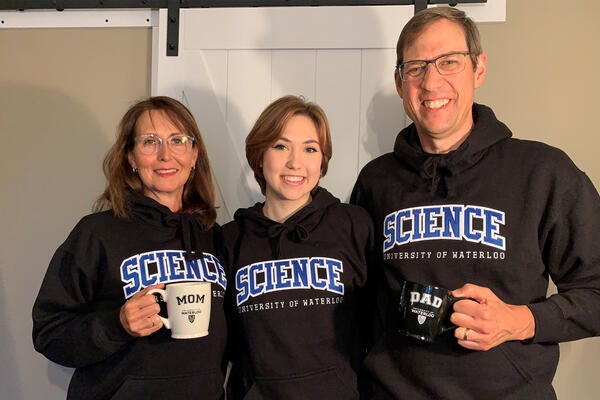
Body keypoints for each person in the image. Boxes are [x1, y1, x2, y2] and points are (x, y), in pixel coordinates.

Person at [350, 6, 600, 400]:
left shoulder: (543, 171)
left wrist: (520, 320)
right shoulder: (375, 182)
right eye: (415, 68)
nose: (431, 82)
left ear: (478, 69)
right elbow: (356, 308)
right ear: (400, 83)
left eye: (448, 62)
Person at [32, 96, 228, 400]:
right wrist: (117, 324)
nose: (166, 155)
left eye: (177, 140)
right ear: (131, 158)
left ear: (194, 155)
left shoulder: (215, 237)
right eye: (150, 142)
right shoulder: (97, 233)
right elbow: (49, 333)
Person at [222, 95, 374, 399]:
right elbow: (222, 342)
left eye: (310, 149)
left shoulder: (354, 226)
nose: (295, 162)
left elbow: (378, 322)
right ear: (259, 154)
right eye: (281, 146)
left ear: (322, 160)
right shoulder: (229, 239)